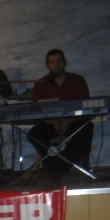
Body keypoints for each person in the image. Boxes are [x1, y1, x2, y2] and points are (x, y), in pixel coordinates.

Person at [28, 49, 93, 180]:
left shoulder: (77, 80)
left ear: (64, 62)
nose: (56, 65)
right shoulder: (41, 84)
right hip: (50, 123)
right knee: (34, 134)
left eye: (59, 61)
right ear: (48, 66)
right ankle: (59, 165)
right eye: (52, 62)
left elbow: (84, 106)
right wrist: (54, 122)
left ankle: (59, 167)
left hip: (73, 122)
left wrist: (67, 121)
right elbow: (36, 110)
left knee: (86, 129)